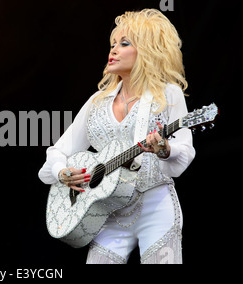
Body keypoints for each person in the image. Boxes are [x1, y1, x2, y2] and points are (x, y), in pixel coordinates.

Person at [38, 9, 195, 264]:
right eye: (113, 44)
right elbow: (57, 152)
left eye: (124, 44)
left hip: (155, 207)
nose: (113, 50)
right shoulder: (96, 102)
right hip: (109, 213)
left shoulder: (168, 94)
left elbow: (184, 150)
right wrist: (62, 172)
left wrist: (165, 149)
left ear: (147, 50)